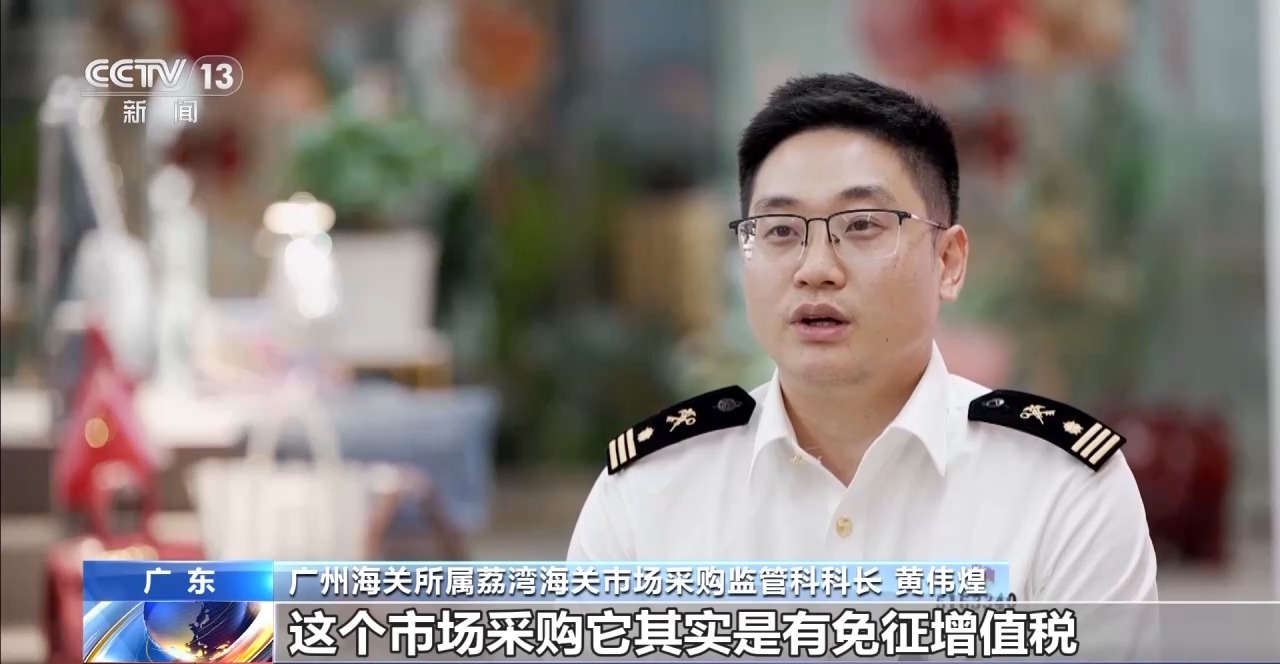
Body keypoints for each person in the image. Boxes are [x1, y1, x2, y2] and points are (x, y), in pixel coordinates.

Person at [567, 73, 1158, 605]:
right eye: (779, 231)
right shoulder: (647, 493)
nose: (815, 268)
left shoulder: (1062, 491)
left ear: (948, 262)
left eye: (862, 225)